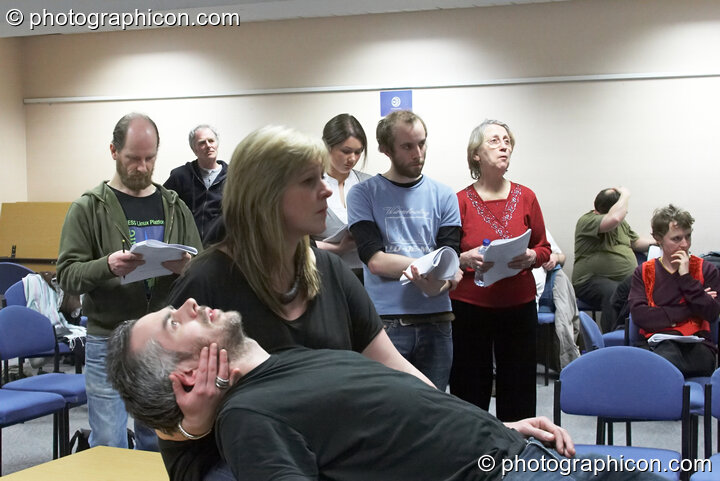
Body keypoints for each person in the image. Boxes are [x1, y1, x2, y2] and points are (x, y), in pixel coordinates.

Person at [107, 299, 665, 481]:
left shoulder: (285, 365)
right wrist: (196, 426)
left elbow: (402, 412)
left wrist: (496, 426)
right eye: (174, 324)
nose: (186, 304)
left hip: (512, 452)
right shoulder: (248, 417)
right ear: (186, 377)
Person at [161, 125, 432, 481]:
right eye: (309, 181)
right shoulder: (207, 281)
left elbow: (395, 367)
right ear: (265, 195)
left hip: (330, 454)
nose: (326, 190)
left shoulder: (331, 272)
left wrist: (472, 419)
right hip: (239, 464)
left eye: (322, 177)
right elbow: (161, 411)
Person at [56, 112, 202, 450]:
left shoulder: (174, 206)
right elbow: (67, 275)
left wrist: (188, 268)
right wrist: (107, 266)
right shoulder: (88, 208)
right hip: (108, 339)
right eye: (133, 158)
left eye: (150, 158)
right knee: (109, 442)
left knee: (159, 441)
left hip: (161, 340)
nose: (142, 166)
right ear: (113, 151)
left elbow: (203, 268)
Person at [347, 110, 463, 391]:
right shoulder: (363, 194)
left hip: (437, 321)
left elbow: (450, 258)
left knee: (435, 411)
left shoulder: (444, 195)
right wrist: (433, 269)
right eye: (408, 146)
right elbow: (375, 260)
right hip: (387, 325)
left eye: (422, 144)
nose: (418, 153)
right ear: (385, 150)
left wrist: (445, 281)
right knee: (390, 413)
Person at [449, 119, 551, 421]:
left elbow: (544, 247)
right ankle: (471, 454)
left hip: (518, 305)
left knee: (518, 387)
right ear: (476, 154)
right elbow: (447, 255)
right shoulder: (460, 202)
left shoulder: (526, 196)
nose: (503, 145)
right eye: (494, 141)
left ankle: (519, 457)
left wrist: (532, 255)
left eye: (507, 140)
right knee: (469, 386)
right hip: (470, 306)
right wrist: (465, 258)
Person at [628, 205, 720, 377]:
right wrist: (691, 307)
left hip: (697, 346)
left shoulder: (706, 269)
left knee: (696, 362)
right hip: (656, 344)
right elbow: (641, 316)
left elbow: (712, 312)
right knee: (664, 360)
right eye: (676, 239)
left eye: (688, 236)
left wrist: (685, 277)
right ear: (658, 238)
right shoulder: (644, 272)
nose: (684, 244)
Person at [572, 187, 654, 332]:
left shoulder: (621, 224)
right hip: (589, 281)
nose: (625, 211)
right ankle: (612, 339)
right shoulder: (587, 220)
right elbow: (614, 218)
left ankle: (638, 339)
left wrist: (659, 242)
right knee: (613, 291)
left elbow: (634, 242)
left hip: (622, 281)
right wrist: (625, 195)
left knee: (648, 288)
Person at [312, 114, 372, 280]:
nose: (352, 158)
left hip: (368, 277)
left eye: (358, 152)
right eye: (345, 151)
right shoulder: (308, 185)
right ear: (327, 147)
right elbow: (296, 243)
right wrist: (338, 248)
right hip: (323, 274)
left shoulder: (370, 184)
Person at [164, 125, 228, 245]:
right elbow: (162, 204)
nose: (208, 145)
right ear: (194, 149)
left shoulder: (233, 177)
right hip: (189, 249)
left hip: (221, 250)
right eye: (202, 143)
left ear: (217, 144)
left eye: (211, 141)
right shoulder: (180, 176)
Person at [532, 229, 580, 370]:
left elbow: (562, 257)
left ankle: (569, 364)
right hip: (520, 290)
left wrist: (554, 258)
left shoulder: (538, 228)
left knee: (562, 280)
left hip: (545, 288)